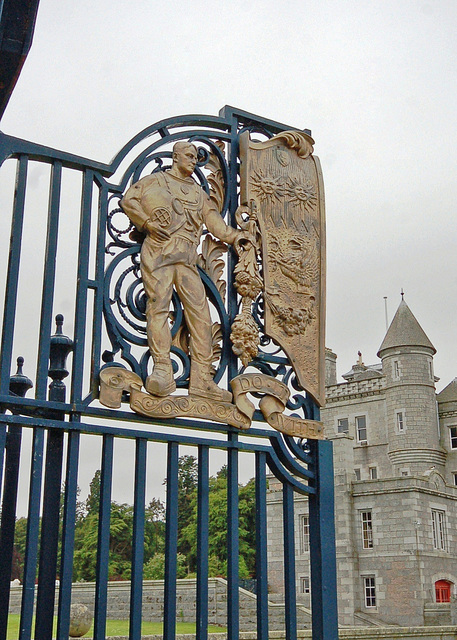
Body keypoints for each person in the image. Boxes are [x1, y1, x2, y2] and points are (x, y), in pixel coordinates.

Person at [121, 141, 249, 402]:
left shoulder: (198, 193)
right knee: (157, 308)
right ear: (175, 157)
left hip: (187, 259)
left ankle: (202, 379)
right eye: (188, 156)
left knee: (201, 316)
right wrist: (145, 223)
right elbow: (128, 200)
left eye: (195, 157)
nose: (193, 160)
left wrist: (236, 236)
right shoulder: (155, 181)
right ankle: (162, 370)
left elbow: (215, 224)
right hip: (159, 252)